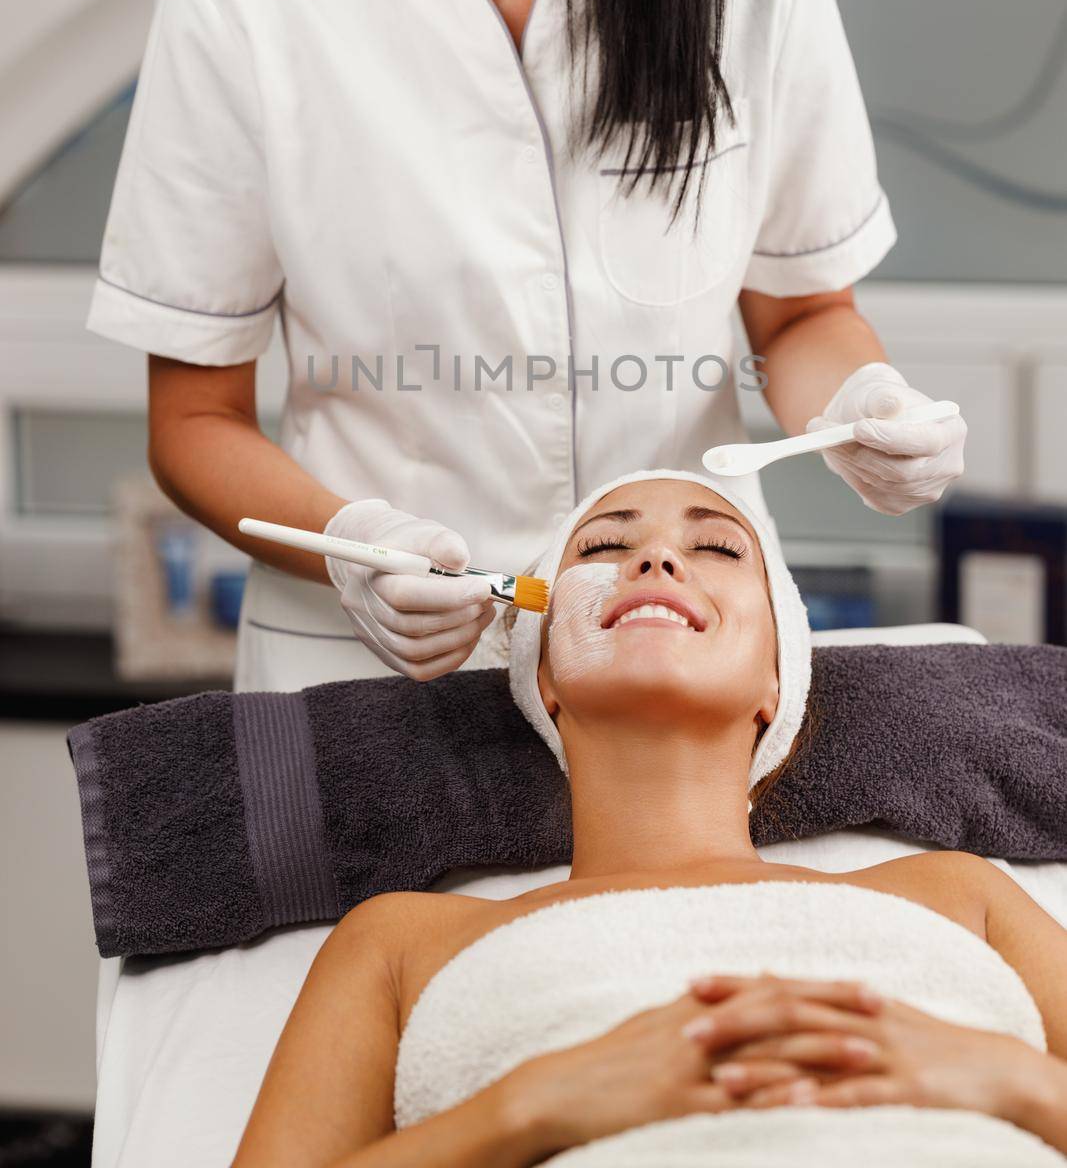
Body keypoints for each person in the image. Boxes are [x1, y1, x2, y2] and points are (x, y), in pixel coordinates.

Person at [85, 0, 967, 694]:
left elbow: (798, 314)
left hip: (677, 659)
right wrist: (354, 544)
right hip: (375, 670)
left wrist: (860, 410)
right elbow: (195, 419)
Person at [230, 474, 1067, 1166]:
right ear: (542, 675)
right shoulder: (402, 943)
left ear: (779, 679)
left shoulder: (958, 894)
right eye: (603, 549)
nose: (658, 557)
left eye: (713, 548)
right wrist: (531, 1107)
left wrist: (1009, 1079)